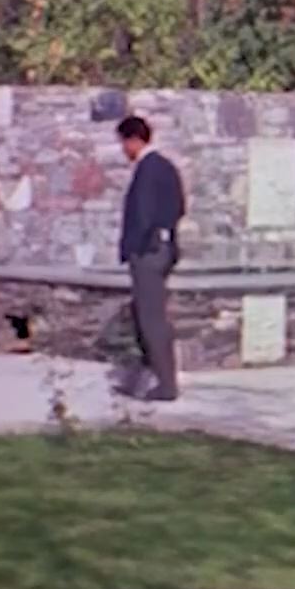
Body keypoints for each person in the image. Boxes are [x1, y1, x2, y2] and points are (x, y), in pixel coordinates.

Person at [115, 116, 188, 402]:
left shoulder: (147, 169)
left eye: (123, 143)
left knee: (151, 318)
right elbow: (179, 206)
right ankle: (146, 378)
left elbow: (143, 213)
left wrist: (137, 246)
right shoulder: (166, 167)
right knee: (146, 315)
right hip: (164, 248)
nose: (123, 149)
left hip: (149, 251)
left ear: (133, 140)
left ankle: (166, 384)